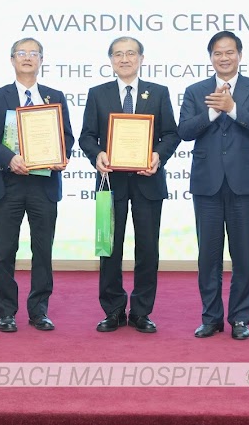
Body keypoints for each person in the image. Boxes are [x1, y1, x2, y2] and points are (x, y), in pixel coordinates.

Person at [79, 36, 180, 334]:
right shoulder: (98, 94)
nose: (124, 59)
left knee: (147, 248)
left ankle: (141, 311)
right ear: (111, 60)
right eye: (118, 54)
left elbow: (171, 134)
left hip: (148, 181)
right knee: (110, 248)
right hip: (111, 182)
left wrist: (158, 155)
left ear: (141, 58)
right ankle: (113, 310)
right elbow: (87, 136)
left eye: (131, 53)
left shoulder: (158, 93)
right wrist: (97, 154)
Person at [177, 30, 249, 341]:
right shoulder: (195, 91)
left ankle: (240, 318)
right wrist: (211, 112)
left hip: (245, 184)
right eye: (218, 53)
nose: (224, 57)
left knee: (244, 255)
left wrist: (232, 108)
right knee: (208, 256)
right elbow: (184, 131)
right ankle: (211, 318)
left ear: (240, 55)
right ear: (210, 57)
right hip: (207, 184)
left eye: (229, 52)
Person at [0, 37, 74, 333]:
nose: (27, 57)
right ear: (12, 60)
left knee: (42, 251)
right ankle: (6, 312)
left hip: (44, 185)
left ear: (42, 60)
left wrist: (61, 155)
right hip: (8, 184)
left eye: (34, 53)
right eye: (21, 53)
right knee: (5, 251)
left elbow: (67, 136)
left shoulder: (55, 96)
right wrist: (9, 159)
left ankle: (39, 311)